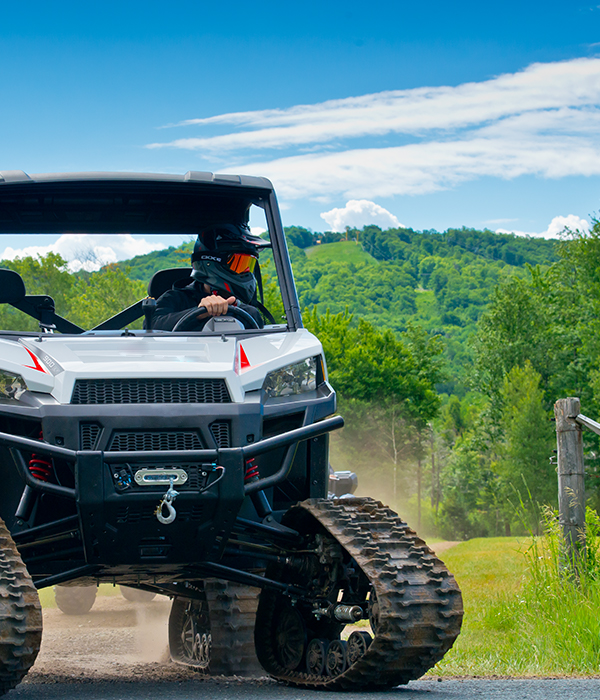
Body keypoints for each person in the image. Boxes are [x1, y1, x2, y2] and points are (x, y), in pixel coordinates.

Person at [151, 223, 269, 331]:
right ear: (211, 262)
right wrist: (199, 312)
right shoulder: (175, 298)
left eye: (248, 264)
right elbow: (151, 325)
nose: (245, 273)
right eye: (238, 264)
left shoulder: (249, 312)